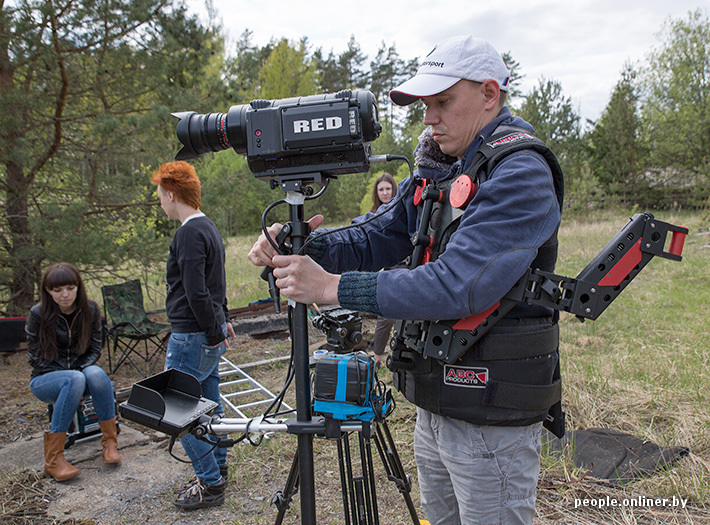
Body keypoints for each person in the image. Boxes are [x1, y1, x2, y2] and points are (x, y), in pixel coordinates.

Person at [248, 35, 563, 524]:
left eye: (442, 102)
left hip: (490, 410)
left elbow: (458, 284)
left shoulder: (520, 172)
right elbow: (379, 235)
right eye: (423, 105)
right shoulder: (440, 169)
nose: (429, 118)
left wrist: (331, 287)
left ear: (488, 94)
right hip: (437, 397)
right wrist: (301, 246)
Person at [151, 160, 235, 510]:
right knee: (209, 404)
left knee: (176, 411)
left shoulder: (188, 232)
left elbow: (197, 290)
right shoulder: (207, 226)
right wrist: (223, 320)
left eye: (160, 196)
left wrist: (215, 329)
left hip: (192, 336)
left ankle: (210, 483)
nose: (160, 203)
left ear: (171, 194)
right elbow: (217, 285)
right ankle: (218, 466)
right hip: (206, 333)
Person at [27, 263, 120, 482]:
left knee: (96, 374)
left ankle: (110, 442)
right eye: (57, 290)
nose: (65, 295)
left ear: (78, 287)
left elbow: (96, 348)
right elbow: (35, 358)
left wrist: (77, 374)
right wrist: (70, 377)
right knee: (75, 378)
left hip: (80, 374)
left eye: (70, 288)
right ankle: (53, 459)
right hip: (45, 379)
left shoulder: (91, 309)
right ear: (48, 291)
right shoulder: (38, 313)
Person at [368, 172, 399, 366]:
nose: (385, 192)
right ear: (376, 192)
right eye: (381, 189)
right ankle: (377, 356)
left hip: (407, 264)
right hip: (385, 267)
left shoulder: (401, 209)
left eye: (388, 188)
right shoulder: (373, 215)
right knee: (385, 316)